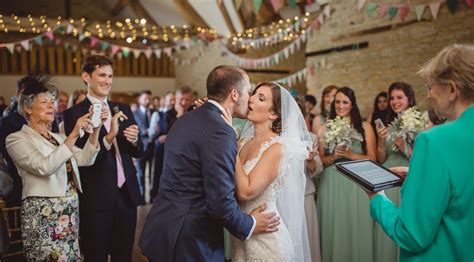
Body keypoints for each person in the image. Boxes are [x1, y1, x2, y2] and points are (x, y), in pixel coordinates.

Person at [139, 65, 279, 261]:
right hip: (189, 238)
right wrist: (251, 224)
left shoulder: (187, 119)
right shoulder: (219, 131)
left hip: (164, 227)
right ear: (234, 94)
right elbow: (220, 202)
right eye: (249, 92)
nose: (251, 98)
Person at [370, 44, 474, 262]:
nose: (428, 95)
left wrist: (376, 199)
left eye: (430, 87)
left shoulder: (435, 140)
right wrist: (419, 175)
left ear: (452, 90)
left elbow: (412, 234)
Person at [5, 74, 102, 260]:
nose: (52, 105)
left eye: (52, 101)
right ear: (27, 107)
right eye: (44, 102)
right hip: (43, 210)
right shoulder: (16, 138)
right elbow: (43, 167)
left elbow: (85, 159)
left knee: (70, 256)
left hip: (68, 209)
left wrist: (95, 129)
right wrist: (73, 134)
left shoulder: (58, 137)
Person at [63, 55, 143, 261]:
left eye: (110, 76)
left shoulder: (122, 108)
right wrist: (108, 136)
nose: (108, 80)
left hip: (126, 195)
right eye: (102, 75)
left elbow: (136, 152)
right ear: (86, 76)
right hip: (96, 198)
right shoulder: (74, 114)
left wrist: (134, 140)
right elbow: (84, 160)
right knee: (96, 255)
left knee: (123, 255)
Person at [230, 82, 312, 261]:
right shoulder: (242, 143)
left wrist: (229, 142)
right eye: (253, 94)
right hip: (242, 235)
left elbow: (246, 191)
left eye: (261, 98)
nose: (250, 99)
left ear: (273, 114)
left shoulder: (278, 148)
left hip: (267, 239)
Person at [317, 87, 377, 262]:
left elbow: (373, 159)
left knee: (356, 226)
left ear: (352, 105)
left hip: (356, 183)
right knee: (333, 226)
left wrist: (351, 155)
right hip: (331, 183)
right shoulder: (324, 128)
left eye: (345, 102)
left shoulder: (364, 127)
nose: (340, 106)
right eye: (337, 102)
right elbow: (321, 160)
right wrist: (334, 156)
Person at [373, 82, 417, 262]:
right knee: (388, 221)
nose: (394, 101)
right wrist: (382, 141)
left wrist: (405, 148)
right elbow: (381, 159)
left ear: (409, 99)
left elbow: (423, 159)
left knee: (404, 222)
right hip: (388, 175)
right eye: (392, 98)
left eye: (399, 97)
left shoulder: (420, 122)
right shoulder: (388, 125)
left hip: (407, 177)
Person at [132, 90, 155, 199]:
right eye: (145, 98)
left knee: (152, 173)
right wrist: (144, 131)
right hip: (141, 147)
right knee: (140, 174)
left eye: (149, 98)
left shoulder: (154, 112)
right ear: (139, 99)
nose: (148, 100)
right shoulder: (134, 113)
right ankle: (141, 196)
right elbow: (134, 130)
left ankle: (151, 196)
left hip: (152, 146)